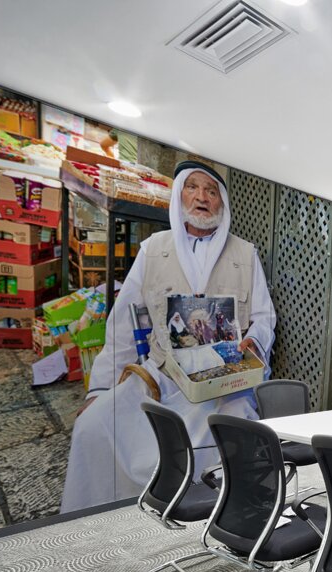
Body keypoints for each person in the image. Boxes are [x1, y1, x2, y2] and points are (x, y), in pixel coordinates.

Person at [60, 161, 276, 513]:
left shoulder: (245, 254)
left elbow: (264, 318)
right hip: (161, 377)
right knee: (93, 425)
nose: (201, 197)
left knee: (228, 427)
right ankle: (97, 519)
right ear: (179, 196)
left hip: (222, 384)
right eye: (192, 187)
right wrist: (99, 389)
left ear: (221, 202)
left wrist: (254, 342)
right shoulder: (153, 249)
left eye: (211, 191)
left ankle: (206, 515)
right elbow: (120, 327)